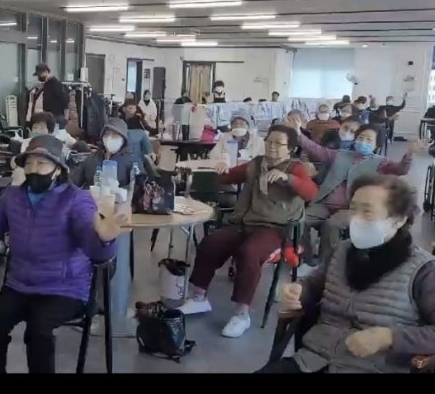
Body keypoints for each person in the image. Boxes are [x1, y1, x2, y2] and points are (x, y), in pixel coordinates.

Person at [0, 135, 126, 373]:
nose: (33, 169)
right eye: (29, 163)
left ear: (58, 169)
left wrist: (104, 239)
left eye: (42, 163)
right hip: (20, 285)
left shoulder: (76, 200)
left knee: (38, 331)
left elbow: (94, 248)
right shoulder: (13, 197)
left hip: (65, 289)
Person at [256, 175, 435, 373]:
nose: (356, 219)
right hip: (313, 360)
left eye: (367, 211)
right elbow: (315, 284)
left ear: (398, 220)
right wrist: (298, 290)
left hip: (371, 368)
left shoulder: (423, 269)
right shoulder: (342, 250)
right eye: (353, 209)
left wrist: (389, 337)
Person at [181, 125, 318, 338]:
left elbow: (311, 192)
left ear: (290, 148)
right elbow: (229, 177)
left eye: (278, 143)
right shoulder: (257, 163)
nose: (271, 147)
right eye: (269, 141)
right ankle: (199, 297)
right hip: (244, 224)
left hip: (275, 228)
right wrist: (221, 169)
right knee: (211, 242)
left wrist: (287, 179)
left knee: (250, 252)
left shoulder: (295, 168)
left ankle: (242, 314)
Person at [290, 116, 424, 265]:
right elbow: (317, 150)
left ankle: (327, 263)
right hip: (324, 203)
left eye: (369, 140)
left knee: (332, 225)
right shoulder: (340, 154)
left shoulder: (380, 162)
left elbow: (401, 169)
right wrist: (298, 133)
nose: (363, 142)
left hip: (352, 208)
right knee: (300, 220)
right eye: (360, 138)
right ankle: (306, 257)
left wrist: (409, 154)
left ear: (376, 145)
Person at [71, 118, 135, 189]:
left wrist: (120, 191)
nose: (110, 138)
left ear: (123, 139)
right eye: (107, 134)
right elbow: (73, 181)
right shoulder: (92, 158)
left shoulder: (131, 161)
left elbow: (137, 188)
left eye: (115, 135)